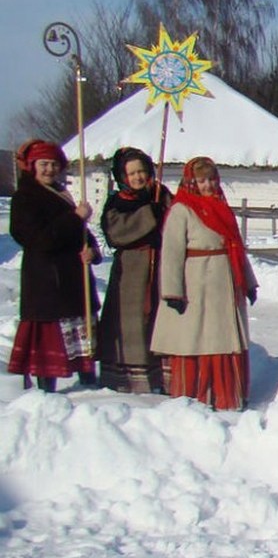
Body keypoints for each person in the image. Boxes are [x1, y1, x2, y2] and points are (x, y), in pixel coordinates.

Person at [151, 156, 258, 411]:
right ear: (191, 182)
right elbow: (172, 253)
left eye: (211, 179)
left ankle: (227, 395)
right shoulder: (182, 209)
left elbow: (236, 247)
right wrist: (173, 291)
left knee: (223, 340)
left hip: (225, 282)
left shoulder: (221, 206)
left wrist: (249, 282)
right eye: (201, 180)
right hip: (197, 283)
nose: (208, 185)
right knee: (199, 339)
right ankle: (198, 394)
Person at [7, 139, 101, 392]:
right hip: (46, 282)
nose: (49, 169)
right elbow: (38, 239)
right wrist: (74, 217)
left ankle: (89, 386)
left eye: (53, 164)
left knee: (82, 336)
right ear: (32, 166)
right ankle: (46, 390)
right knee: (50, 337)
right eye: (43, 164)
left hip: (74, 280)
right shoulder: (24, 198)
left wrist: (92, 250)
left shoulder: (61, 193)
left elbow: (81, 233)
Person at [97, 147, 172, 393]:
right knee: (131, 323)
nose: (138, 177)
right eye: (132, 173)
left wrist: (164, 207)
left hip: (160, 265)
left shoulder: (161, 194)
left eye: (142, 171)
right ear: (123, 177)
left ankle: (162, 375)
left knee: (160, 319)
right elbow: (116, 232)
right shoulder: (118, 202)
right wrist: (149, 214)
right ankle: (129, 379)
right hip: (130, 270)